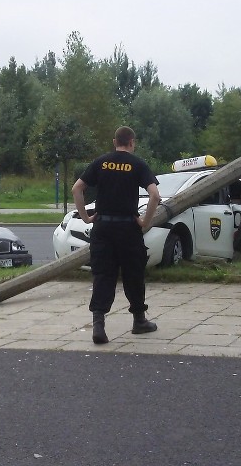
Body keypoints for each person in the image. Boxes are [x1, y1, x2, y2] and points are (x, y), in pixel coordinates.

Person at [72, 126, 161, 344]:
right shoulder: (138, 164)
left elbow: (77, 188)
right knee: (134, 274)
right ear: (132, 142)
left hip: (103, 228)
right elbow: (155, 196)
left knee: (103, 275)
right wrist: (145, 222)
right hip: (127, 229)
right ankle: (139, 320)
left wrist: (85, 217)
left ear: (115, 142)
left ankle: (98, 325)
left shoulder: (101, 162)